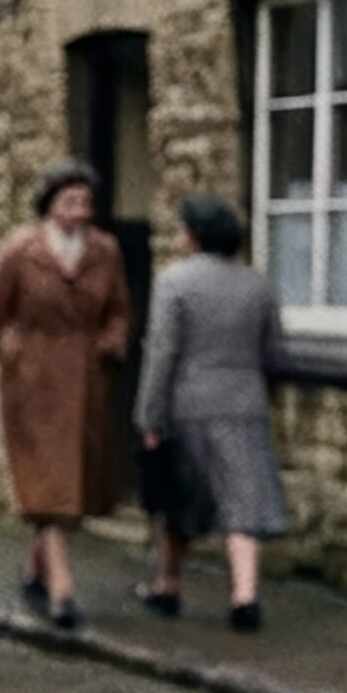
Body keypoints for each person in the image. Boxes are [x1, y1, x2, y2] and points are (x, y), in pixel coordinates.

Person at [0, 161, 131, 631]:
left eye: (86, 202)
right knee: (46, 482)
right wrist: (10, 349)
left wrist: (108, 344)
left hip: (85, 380)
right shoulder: (21, 249)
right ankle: (63, 591)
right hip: (32, 381)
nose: (80, 212)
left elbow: (120, 310)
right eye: (70, 202)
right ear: (49, 204)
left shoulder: (105, 250)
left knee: (69, 481)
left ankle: (34, 569)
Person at [133, 194, 289, 633]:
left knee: (178, 499)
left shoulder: (174, 281)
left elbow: (162, 353)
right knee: (243, 500)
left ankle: (168, 586)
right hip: (244, 402)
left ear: (194, 235)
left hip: (190, 404)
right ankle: (245, 596)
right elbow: (274, 352)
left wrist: (149, 416)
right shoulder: (257, 284)